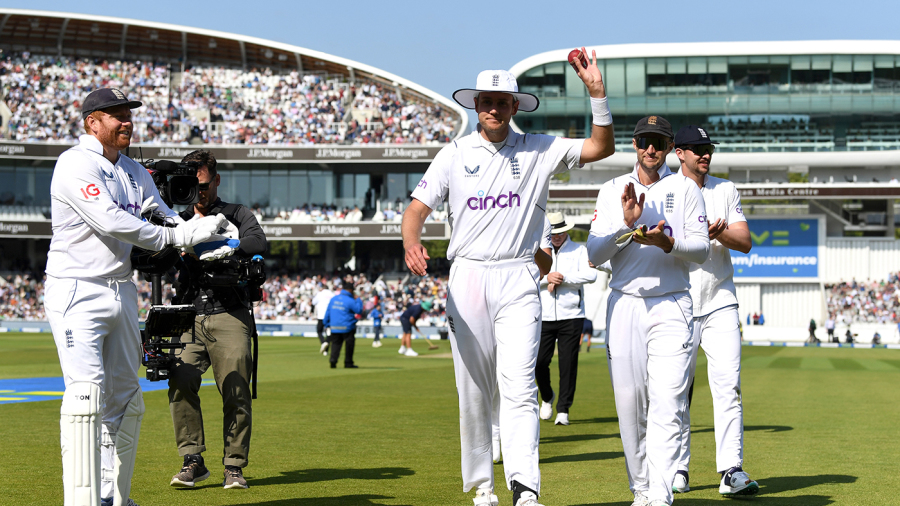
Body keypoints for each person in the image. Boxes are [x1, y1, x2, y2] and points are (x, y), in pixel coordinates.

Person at [402, 54, 615, 506]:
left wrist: (597, 93)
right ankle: (483, 485)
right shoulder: (453, 153)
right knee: (474, 388)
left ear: (515, 106)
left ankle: (525, 487)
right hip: (468, 276)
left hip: (519, 275)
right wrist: (411, 241)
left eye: (503, 101)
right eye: (486, 101)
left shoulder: (540, 148)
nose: (494, 109)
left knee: (519, 385)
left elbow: (601, 148)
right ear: (475, 104)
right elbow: (415, 209)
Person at [45, 88, 229, 506]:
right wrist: (176, 235)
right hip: (77, 288)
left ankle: (115, 497)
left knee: (127, 400)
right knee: (85, 397)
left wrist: (205, 237)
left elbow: (161, 213)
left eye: (128, 114)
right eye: (116, 115)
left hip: (122, 289)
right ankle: (82, 502)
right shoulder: (74, 163)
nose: (126, 121)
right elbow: (111, 221)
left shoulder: (132, 170)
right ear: (93, 122)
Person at [586, 115, 709, 506]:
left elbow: (702, 249)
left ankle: (659, 495)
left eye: (658, 142)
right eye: (644, 141)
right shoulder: (610, 190)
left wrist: (667, 245)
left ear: (671, 147)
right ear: (634, 145)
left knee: (669, 401)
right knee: (629, 406)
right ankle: (640, 490)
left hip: (672, 301)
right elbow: (593, 253)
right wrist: (627, 227)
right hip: (624, 303)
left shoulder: (685, 189)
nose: (650, 149)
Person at [168, 150, 267, 490]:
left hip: (229, 310)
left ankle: (234, 466)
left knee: (236, 389)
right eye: (193, 186)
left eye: (205, 185)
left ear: (216, 180)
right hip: (188, 313)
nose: (200, 192)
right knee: (180, 382)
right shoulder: (176, 219)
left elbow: (258, 241)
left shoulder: (236, 213)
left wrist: (229, 245)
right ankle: (193, 460)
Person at [670, 125, 758, 498]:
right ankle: (676, 469)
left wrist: (718, 233)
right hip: (678, 299)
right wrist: (697, 236)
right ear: (680, 153)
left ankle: (730, 471)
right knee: (674, 390)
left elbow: (745, 242)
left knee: (729, 387)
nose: (704, 154)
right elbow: (661, 243)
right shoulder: (664, 190)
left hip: (721, 299)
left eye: (708, 149)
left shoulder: (725, 189)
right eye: (696, 149)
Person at [536, 212, 597, 426]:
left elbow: (591, 275)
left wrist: (562, 278)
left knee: (568, 364)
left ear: (566, 230)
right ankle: (547, 397)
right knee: (539, 362)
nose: (556, 236)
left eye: (560, 232)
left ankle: (563, 409)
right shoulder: (538, 250)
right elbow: (529, 276)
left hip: (572, 315)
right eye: (553, 233)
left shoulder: (579, 250)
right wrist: (546, 279)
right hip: (543, 316)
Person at [323, 280, 364, 368]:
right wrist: (359, 299)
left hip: (334, 327)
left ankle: (333, 361)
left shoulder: (334, 299)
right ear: (350, 290)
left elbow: (328, 312)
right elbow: (359, 310)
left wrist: (326, 324)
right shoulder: (350, 300)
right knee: (349, 345)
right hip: (347, 327)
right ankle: (348, 363)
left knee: (336, 344)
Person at [313, 284, 335, 355]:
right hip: (330, 316)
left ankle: (323, 342)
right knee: (328, 332)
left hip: (321, 316)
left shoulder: (320, 294)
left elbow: (313, 302)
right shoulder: (332, 294)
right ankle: (326, 351)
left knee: (319, 331)